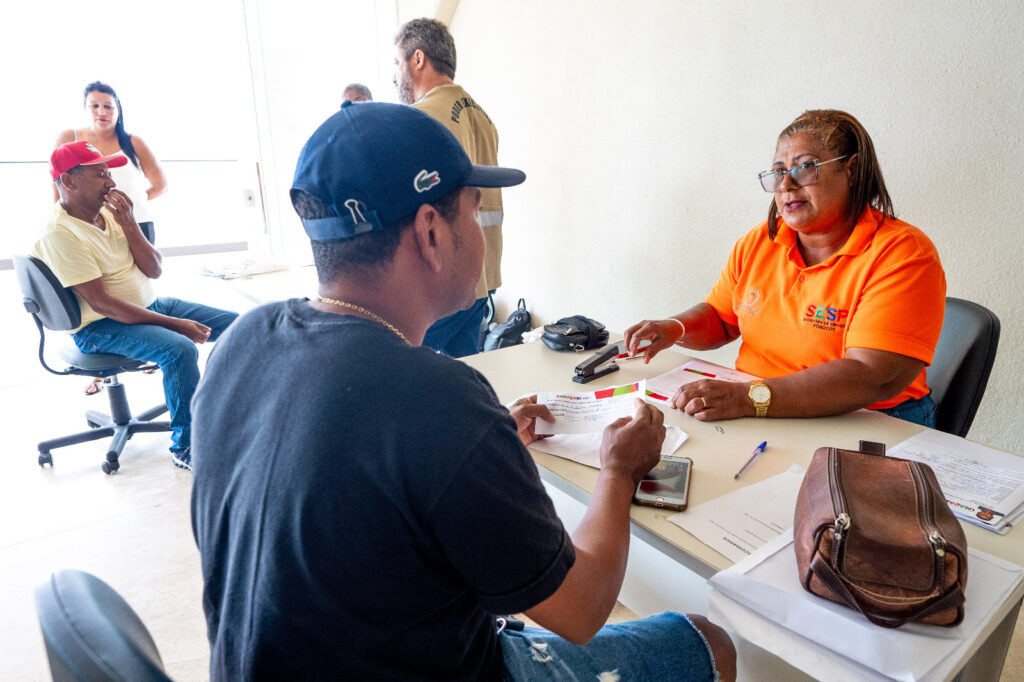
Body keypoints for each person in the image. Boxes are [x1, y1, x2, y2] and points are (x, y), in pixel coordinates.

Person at [190, 102, 734, 681]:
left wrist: (472, 443)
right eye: (475, 214)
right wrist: (620, 470)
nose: (482, 233)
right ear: (430, 232)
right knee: (708, 643)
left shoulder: (242, 340)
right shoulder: (438, 399)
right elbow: (580, 610)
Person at [624, 109, 945, 427]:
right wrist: (673, 328)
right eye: (778, 172)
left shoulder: (903, 254)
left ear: (852, 170)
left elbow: (870, 376)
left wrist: (746, 399)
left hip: (868, 420)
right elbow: (721, 319)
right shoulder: (760, 240)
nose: (786, 184)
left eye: (805, 167)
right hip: (762, 407)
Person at [32, 141, 237, 471]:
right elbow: (104, 304)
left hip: (148, 305)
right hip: (99, 326)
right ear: (68, 181)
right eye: (99, 175)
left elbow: (154, 270)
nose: (110, 182)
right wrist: (174, 324)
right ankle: (186, 446)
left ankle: (229, 412)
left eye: (109, 173)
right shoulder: (60, 233)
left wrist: (129, 223)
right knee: (180, 349)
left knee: (239, 325)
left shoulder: (108, 215)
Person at [394, 17, 507, 357]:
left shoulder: (420, 116)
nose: (394, 75)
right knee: (464, 377)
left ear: (418, 59)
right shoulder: (482, 117)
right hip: (479, 277)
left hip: (439, 282)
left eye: (397, 63)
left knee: (400, 374)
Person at [54, 81, 167, 244]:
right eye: (94, 106)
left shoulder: (135, 143)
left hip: (136, 223)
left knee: (145, 269)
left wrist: (127, 204)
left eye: (108, 106)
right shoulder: (68, 138)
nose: (102, 112)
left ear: (118, 110)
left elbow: (161, 186)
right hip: (88, 226)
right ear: (85, 108)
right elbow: (57, 187)